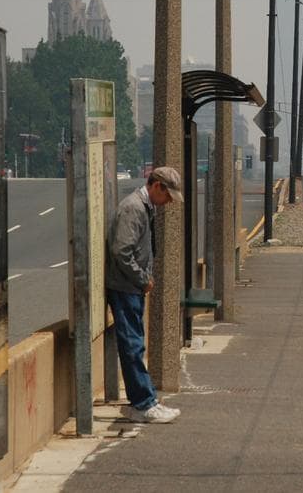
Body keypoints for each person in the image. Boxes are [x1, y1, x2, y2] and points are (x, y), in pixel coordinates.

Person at [107, 166, 184, 423]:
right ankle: (143, 404)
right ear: (157, 186)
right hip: (125, 287)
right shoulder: (134, 208)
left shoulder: (145, 207)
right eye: (168, 195)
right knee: (132, 345)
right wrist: (142, 278)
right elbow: (122, 251)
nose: (168, 202)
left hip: (131, 287)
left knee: (135, 344)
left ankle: (146, 399)